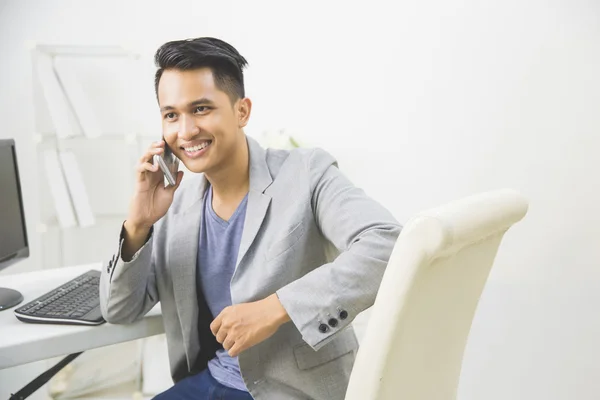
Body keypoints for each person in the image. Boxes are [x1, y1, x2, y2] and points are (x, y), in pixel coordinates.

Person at [99, 37, 402, 400]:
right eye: (171, 115)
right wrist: (138, 224)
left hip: (295, 390)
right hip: (210, 381)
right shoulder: (173, 208)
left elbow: (387, 244)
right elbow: (119, 309)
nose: (186, 131)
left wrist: (275, 308)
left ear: (241, 111)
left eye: (201, 109)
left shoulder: (306, 173)